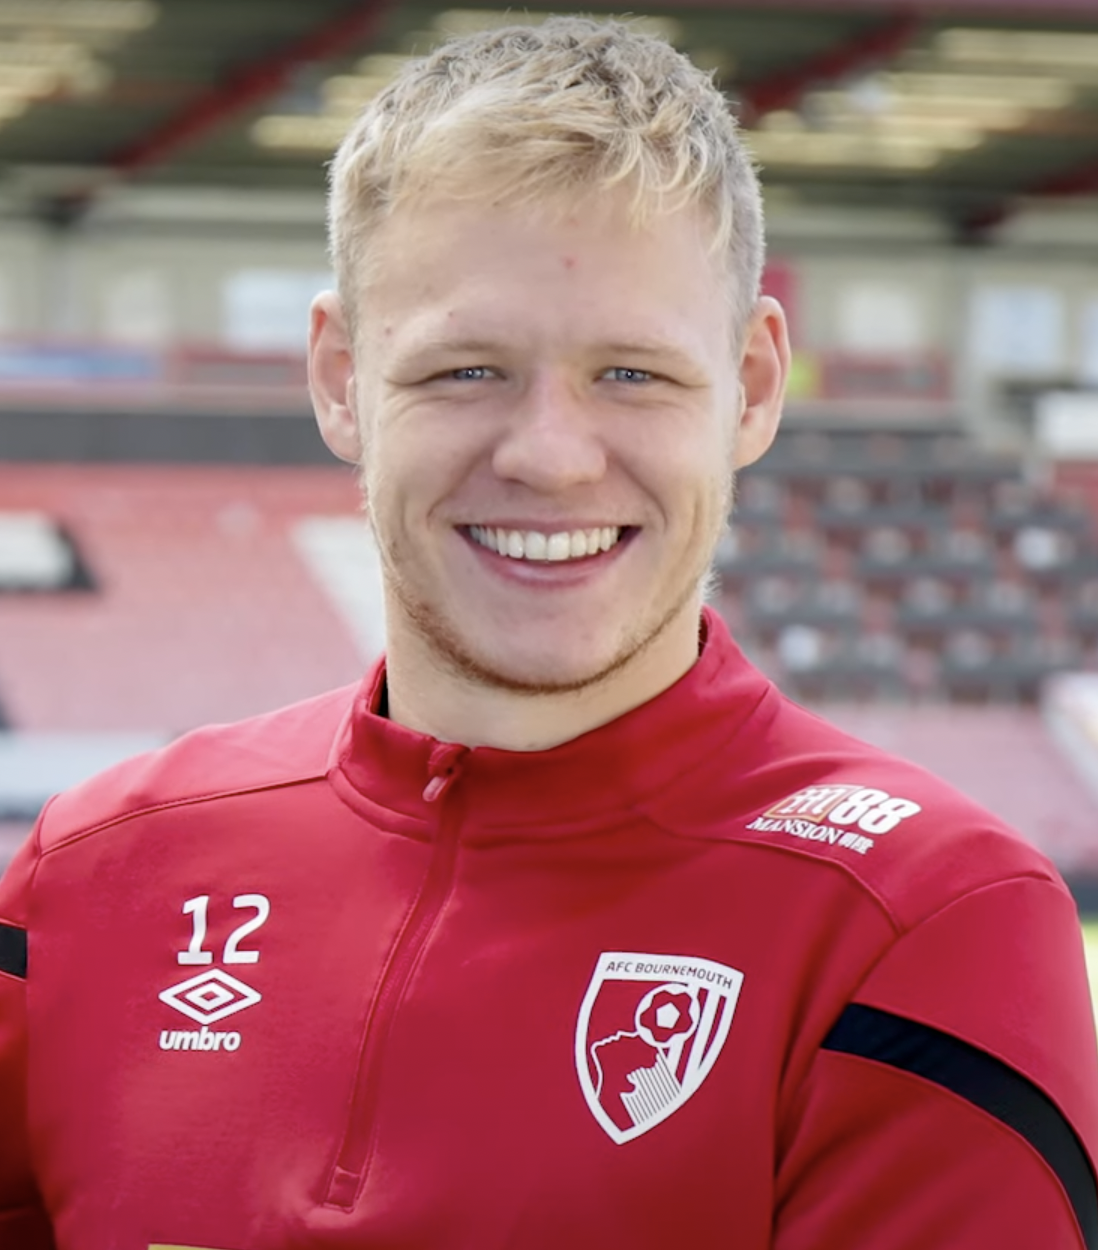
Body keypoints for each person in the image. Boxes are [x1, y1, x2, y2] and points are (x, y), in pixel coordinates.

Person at [1, 16, 1096, 1249]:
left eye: (634, 373)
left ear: (750, 386)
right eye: (465, 370)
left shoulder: (920, 920)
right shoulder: (91, 875)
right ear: (339, 378)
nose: (550, 455)